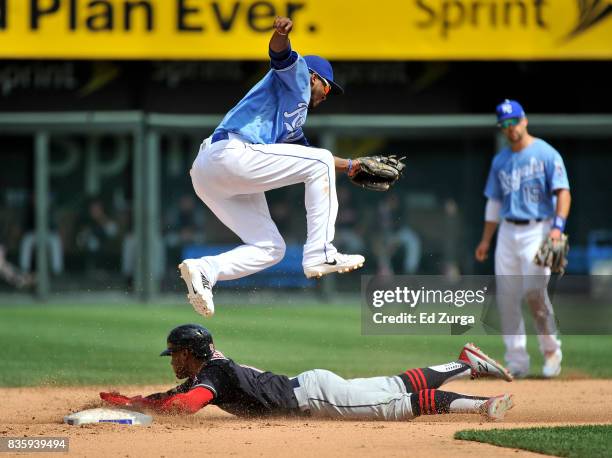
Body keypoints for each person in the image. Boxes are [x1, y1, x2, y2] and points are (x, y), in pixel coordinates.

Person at [178, 16, 367, 317]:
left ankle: (206, 270)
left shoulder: (293, 124)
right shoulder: (299, 78)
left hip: (212, 174)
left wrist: (351, 165)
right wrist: (280, 34)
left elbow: (313, 158)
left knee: (270, 247)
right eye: (329, 89)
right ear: (315, 78)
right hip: (231, 152)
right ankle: (320, 253)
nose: (325, 96)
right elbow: (280, 55)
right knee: (318, 161)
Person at [100, 324, 514, 422]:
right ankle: (466, 361)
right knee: (393, 386)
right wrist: (135, 402)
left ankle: (482, 406)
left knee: (396, 405)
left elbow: (188, 405)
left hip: (315, 397)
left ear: (190, 353)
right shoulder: (210, 368)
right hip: (312, 386)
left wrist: (141, 411)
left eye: (173, 353)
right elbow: (174, 394)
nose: (171, 360)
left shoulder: (215, 374)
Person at [475, 99, 571, 379]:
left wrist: (557, 227)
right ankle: (516, 360)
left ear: (524, 120)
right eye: (504, 124)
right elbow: (493, 203)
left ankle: (551, 349)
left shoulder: (545, 153)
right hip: (507, 230)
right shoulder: (500, 160)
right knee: (506, 298)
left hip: (538, 229)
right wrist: (485, 240)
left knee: (534, 293)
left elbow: (563, 192)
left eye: (514, 122)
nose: (510, 128)